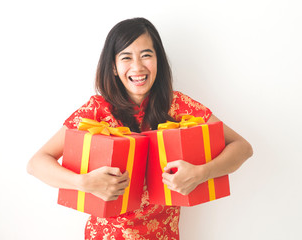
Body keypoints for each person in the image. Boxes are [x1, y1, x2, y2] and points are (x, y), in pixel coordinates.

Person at [27, 17, 253, 240]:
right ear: (114, 67)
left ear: (158, 61)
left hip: (164, 235)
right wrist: (83, 183)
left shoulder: (179, 106)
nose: (137, 67)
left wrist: (201, 173)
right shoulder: (96, 110)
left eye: (146, 55)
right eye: (126, 57)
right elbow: (37, 163)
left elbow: (242, 147)